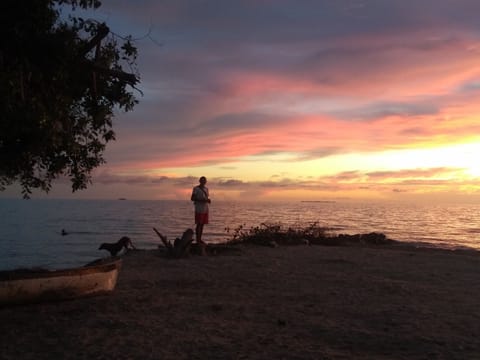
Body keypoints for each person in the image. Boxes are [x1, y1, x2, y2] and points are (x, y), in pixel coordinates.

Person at [191, 176, 211, 255]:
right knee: (199, 224)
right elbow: (192, 198)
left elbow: (206, 198)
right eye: (202, 180)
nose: (203, 182)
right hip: (199, 209)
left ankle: (200, 239)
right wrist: (203, 200)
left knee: (202, 224)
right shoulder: (196, 189)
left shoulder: (206, 189)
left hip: (205, 209)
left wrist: (207, 200)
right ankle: (197, 240)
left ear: (205, 181)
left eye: (204, 180)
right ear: (199, 181)